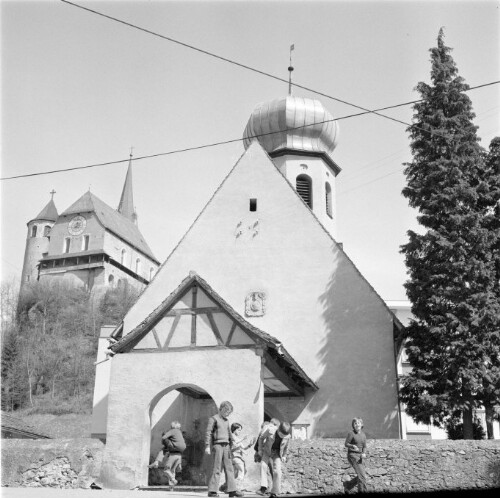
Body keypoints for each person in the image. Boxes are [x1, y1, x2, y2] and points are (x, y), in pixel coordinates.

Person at [205, 401, 243, 498]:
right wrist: (207, 446)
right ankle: (212, 491)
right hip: (217, 446)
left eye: (229, 412)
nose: (227, 414)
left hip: (227, 447)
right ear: (221, 409)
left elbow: (229, 433)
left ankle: (232, 490)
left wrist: (233, 442)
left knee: (229, 468)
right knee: (217, 468)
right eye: (226, 411)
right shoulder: (213, 419)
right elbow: (208, 433)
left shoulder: (226, 421)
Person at [258, 420, 291, 498]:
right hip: (267, 450)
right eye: (281, 435)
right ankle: (263, 487)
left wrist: (284, 456)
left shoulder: (288, 436)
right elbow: (261, 438)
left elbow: (286, 447)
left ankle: (274, 492)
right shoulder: (270, 430)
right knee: (263, 465)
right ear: (278, 430)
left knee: (277, 472)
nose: (282, 437)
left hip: (277, 453)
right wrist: (260, 449)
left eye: (284, 436)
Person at [148, 420, 187, 486]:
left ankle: (157, 462)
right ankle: (171, 487)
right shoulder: (179, 432)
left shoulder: (172, 431)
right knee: (173, 471)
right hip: (180, 451)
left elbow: (163, 437)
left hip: (174, 450)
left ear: (172, 426)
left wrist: (165, 440)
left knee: (166, 470)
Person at [344, 417, 367, 493]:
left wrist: (363, 453)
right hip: (352, 455)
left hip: (360, 456)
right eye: (355, 423)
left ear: (361, 424)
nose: (357, 424)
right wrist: (352, 446)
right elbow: (346, 444)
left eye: (358, 423)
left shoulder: (363, 435)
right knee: (362, 476)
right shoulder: (351, 433)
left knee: (362, 476)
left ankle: (348, 486)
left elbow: (364, 446)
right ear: (353, 425)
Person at [231, 422, 255, 491]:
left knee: (234, 474)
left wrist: (250, 445)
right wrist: (242, 439)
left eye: (240, 430)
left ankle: (228, 487)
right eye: (238, 430)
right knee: (242, 471)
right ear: (234, 429)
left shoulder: (237, 438)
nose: (239, 432)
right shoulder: (232, 436)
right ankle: (237, 488)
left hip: (237, 457)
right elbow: (233, 445)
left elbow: (243, 448)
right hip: (235, 457)